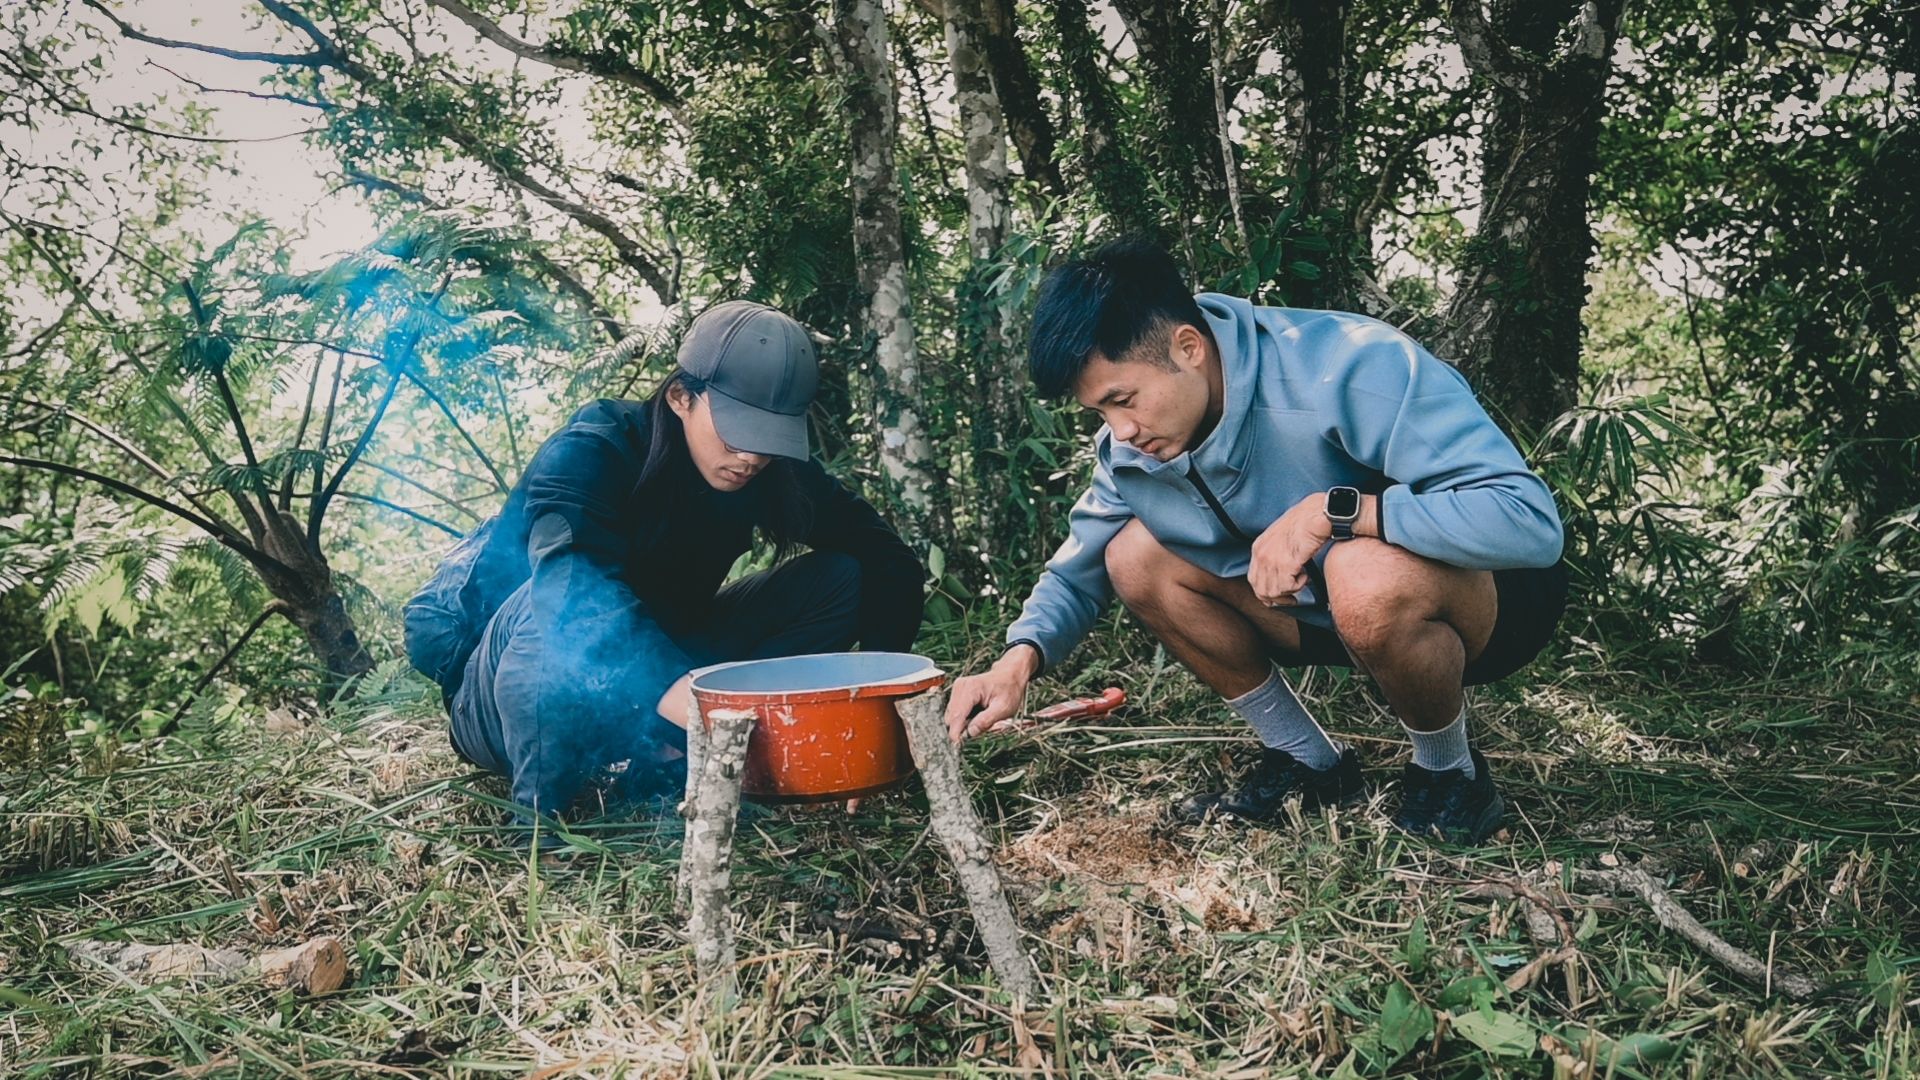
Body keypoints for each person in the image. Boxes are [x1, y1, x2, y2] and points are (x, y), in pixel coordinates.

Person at [943, 240, 1566, 843]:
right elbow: (1077, 568)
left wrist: (1340, 512)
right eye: (1100, 413)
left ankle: (1449, 774)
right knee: (1132, 555)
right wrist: (1016, 662)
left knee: (1362, 571)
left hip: (1487, 604)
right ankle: (1309, 765)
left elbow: (1527, 521)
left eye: (1123, 400)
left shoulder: (1348, 363)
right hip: (1318, 612)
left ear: (1187, 347)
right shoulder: (1131, 448)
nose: (1121, 432)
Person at [407, 301, 924, 827]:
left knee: (841, 578)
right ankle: (541, 823)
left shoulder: (764, 472)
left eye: (768, 440)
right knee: (563, 597)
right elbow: (570, 585)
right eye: (736, 430)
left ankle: (662, 762)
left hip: (662, 677)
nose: (750, 456)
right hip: (502, 701)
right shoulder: (592, 451)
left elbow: (887, 558)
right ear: (681, 397)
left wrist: (881, 711)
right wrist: (691, 704)